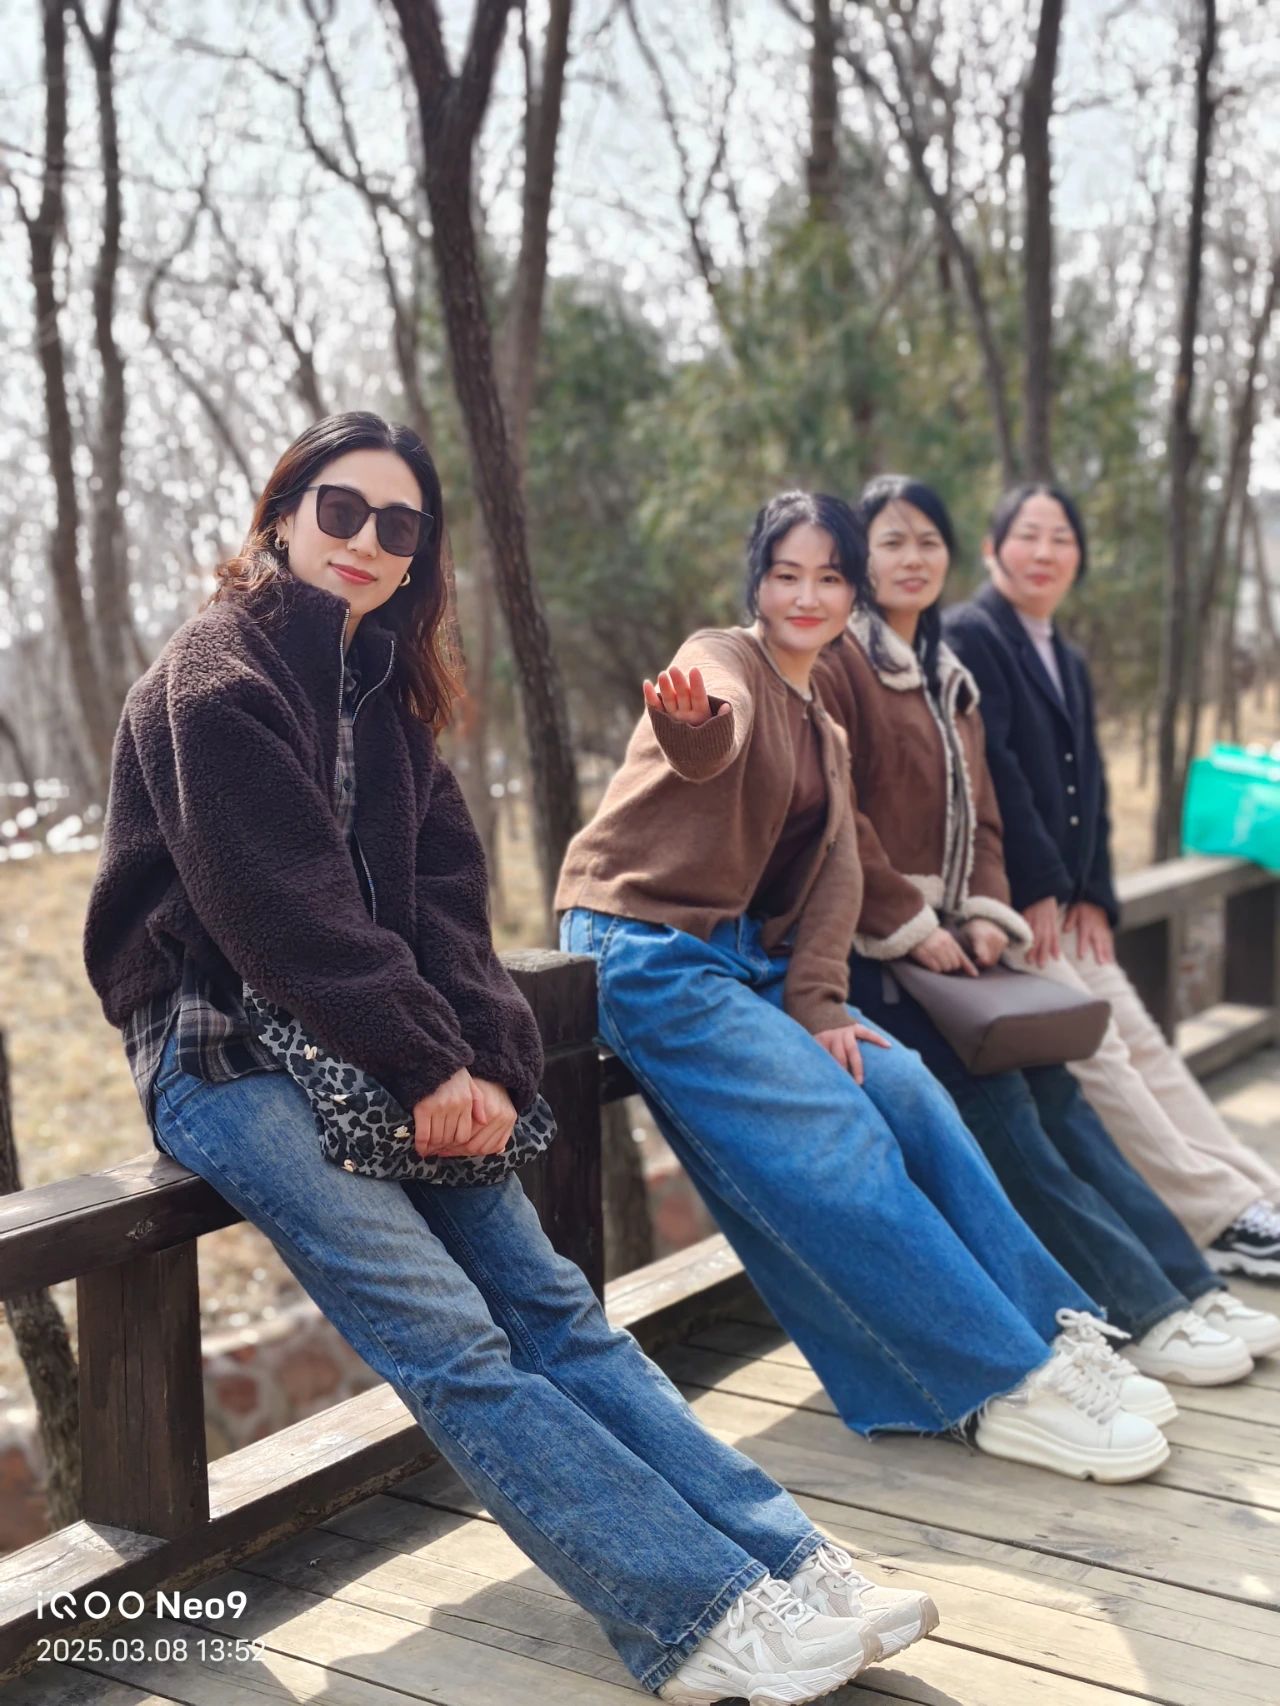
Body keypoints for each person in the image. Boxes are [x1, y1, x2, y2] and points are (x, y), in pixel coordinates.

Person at [83, 414, 938, 1706]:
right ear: (282, 513)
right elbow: (283, 911)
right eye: (339, 509)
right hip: (224, 1051)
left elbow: (445, 906)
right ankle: (695, 1615)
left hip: (378, 1043)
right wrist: (431, 1068)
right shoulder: (215, 682)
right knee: (452, 1337)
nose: (366, 540)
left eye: (399, 524)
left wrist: (484, 1057)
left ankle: (784, 1562)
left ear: (419, 552)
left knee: (554, 1309)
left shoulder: (384, 694)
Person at [559, 488, 1173, 1485]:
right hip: (646, 944)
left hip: (750, 961)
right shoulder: (721, 657)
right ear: (757, 582)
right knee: (838, 1133)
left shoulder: (826, 728)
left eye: (829, 577)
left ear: (853, 592)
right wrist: (693, 728)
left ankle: (1051, 1331)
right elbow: (712, 732)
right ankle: (997, 1383)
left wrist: (817, 1004)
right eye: (785, 575)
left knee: (909, 1093)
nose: (806, 596)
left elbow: (836, 877)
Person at [815, 473, 1277, 1393]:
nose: (912, 559)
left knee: (1064, 1095)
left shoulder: (944, 672)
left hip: (965, 946)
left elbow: (989, 815)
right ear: (857, 559)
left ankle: (1182, 1286)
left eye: (926, 542)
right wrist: (916, 922)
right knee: (1019, 1111)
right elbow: (843, 818)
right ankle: (1147, 1307)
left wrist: (990, 913)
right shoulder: (843, 666)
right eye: (890, 541)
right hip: (878, 956)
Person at [944, 485, 1280, 1298]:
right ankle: (1217, 1218)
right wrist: (1041, 887)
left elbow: (1086, 779)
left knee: (1144, 1046)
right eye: (1027, 535)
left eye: (1061, 537)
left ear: (1079, 557)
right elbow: (995, 773)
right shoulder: (970, 635)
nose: (1045, 552)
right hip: (1013, 907)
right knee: (1104, 1058)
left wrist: (1094, 891)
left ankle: (1252, 1191)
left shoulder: (1065, 653)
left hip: (1067, 907)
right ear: (992, 549)